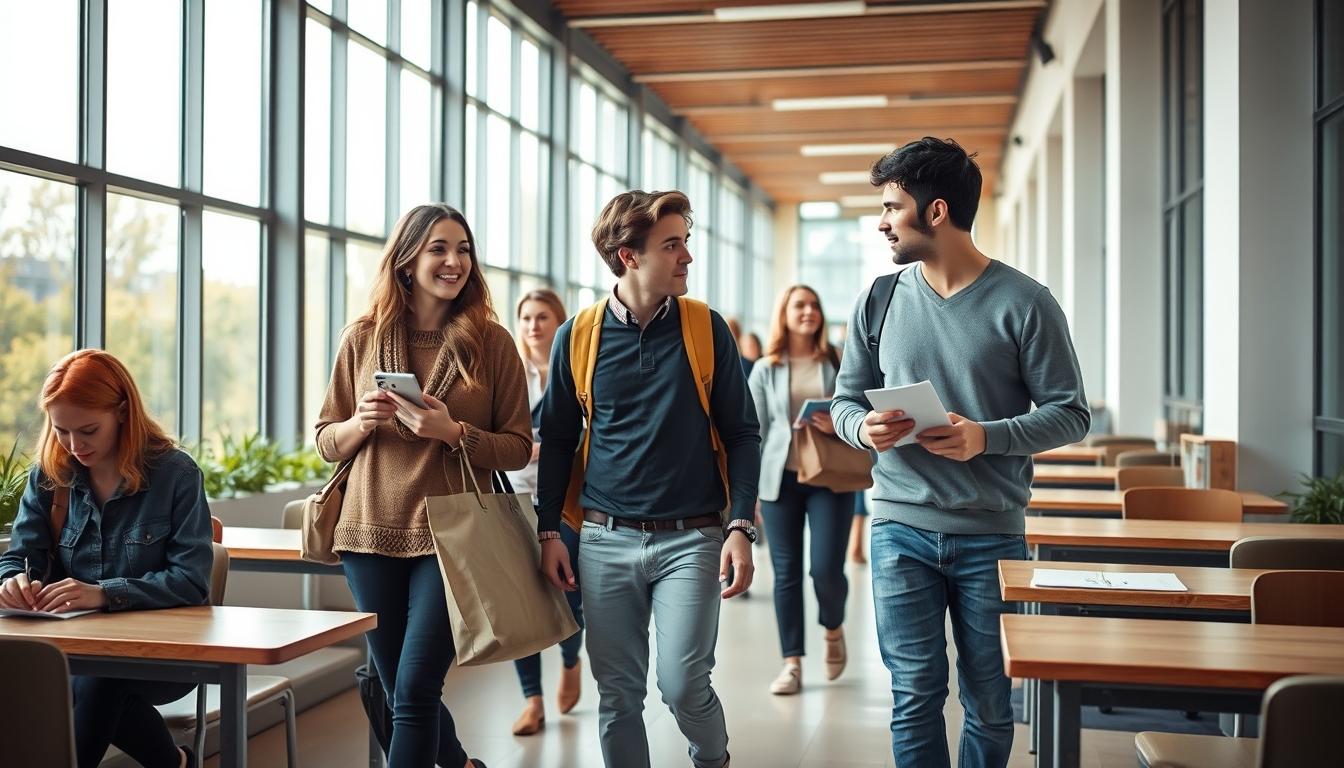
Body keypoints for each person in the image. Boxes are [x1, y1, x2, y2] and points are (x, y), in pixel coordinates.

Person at [830, 138, 1089, 768]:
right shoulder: (878, 299)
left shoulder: (1026, 303)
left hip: (990, 534)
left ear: (937, 210)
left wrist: (986, 436)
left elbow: (1071, 413)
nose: (882, 221)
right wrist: (864, 430)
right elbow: (841, 404)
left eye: (892, 206)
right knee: (914, 696)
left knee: (990, 702)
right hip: (898, 528)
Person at [536, 190, 761, 768]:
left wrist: (739, 524)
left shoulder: (706, 328)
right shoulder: (577, 337)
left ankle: (712, 759)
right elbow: (559, 441)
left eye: (686, 242)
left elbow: (742, 433)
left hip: (694, 537)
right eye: (672, 245)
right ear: (628, 255)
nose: (687, 256)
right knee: (618, 697)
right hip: (605, 539)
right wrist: (549, 533)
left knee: (684, 685)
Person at [315, 203, 531, 768]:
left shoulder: (492, 343)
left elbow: (518, 445)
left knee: (413, 692)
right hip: (366, 533)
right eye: (438, 248)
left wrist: (453, 432)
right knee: (395, 692)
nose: (454, 261)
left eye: (462, 249)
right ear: (407, 260)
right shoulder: (361, 337)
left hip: (452, 537)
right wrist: (359, 423)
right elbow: (323, 439)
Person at [0, 349, 213, 768]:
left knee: (99, 682)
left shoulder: (176, 474)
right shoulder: (48, 475)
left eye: (88, 430)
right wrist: (11, 581)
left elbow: (192, 581)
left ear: (121, 412)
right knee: (87, 679)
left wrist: (102, 594)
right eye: (61, 430)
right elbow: (20, 557)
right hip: (69, 650)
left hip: (161, 656)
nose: (75, 446)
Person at [746, 285, 853, 696]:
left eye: (814, 305)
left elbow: (858, 411)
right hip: (780, 479)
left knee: (826, 569)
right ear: (784, 314)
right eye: (799, 305)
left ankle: (833, 626)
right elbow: (751, 432)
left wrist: (836, 423)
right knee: (786, 575)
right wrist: (747, 492)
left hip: (830, 475)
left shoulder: (838, 361)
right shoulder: (765, 368)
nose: (808, 311)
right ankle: (791, 662)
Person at [506, 288, 585, 736]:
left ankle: (571, 658)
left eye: (543, 317)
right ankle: (532, 701)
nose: (534, 325)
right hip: (515, 500)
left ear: (560, 323)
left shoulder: (574, 370)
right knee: (522, 607)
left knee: (567, 593)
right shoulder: (509, 374)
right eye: (527, 317)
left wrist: (552, 449)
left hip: (567, 503)